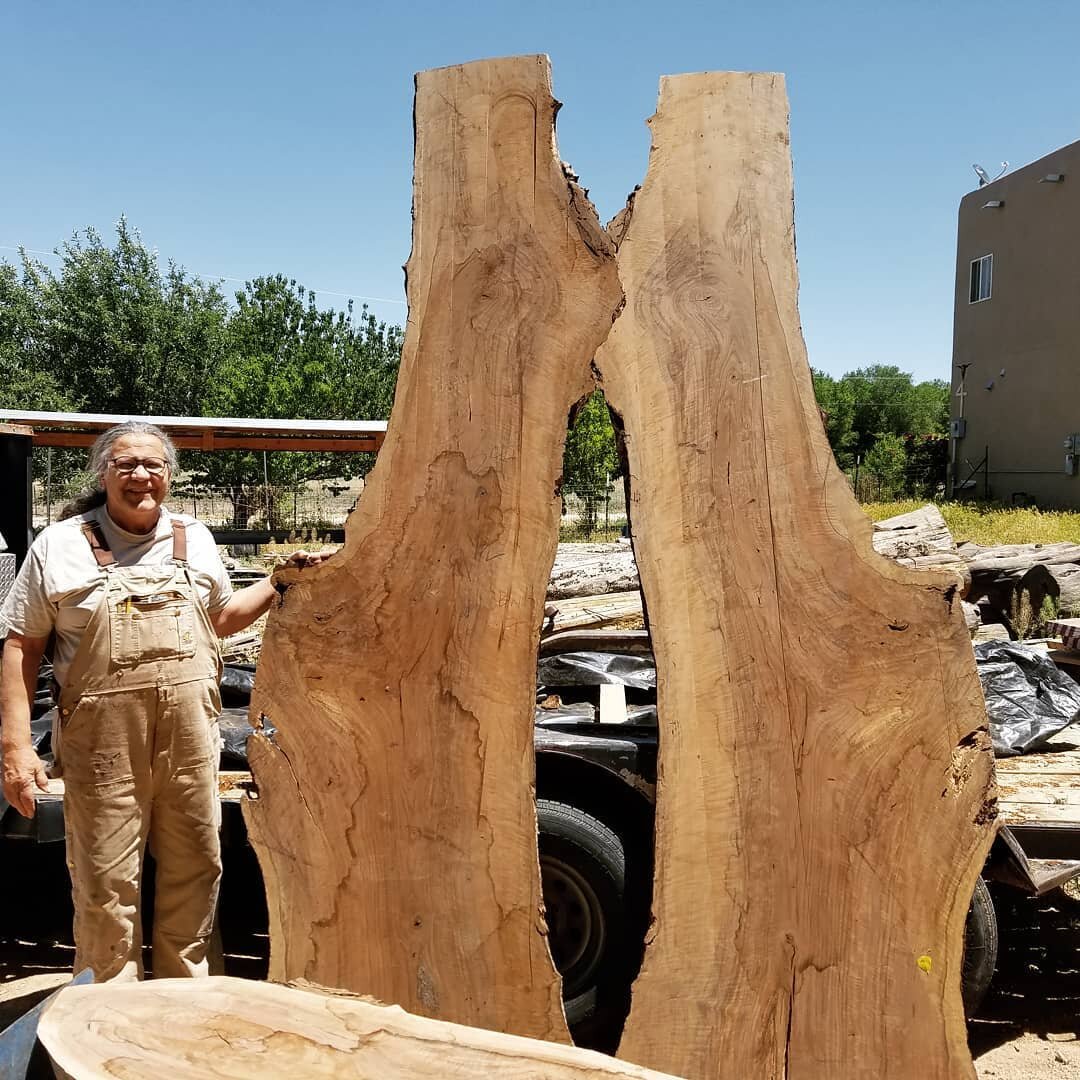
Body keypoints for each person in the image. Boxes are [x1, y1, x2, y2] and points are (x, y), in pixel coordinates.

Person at [0, 421, 330, 982]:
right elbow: (20, 646)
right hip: (102, 747)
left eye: (152, 464)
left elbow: (220, 620)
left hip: (189, 740)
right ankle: (106, 1015)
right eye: (125, 464)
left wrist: (278, 583)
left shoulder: (194, 539)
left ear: (170, 475)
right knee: (106, 878)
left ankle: (185, 1009)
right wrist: (14, 747)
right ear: (102, 474)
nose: (139, 476)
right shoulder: (60, 545)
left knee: (197, 868)